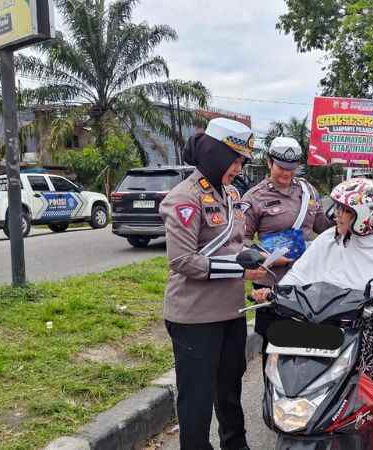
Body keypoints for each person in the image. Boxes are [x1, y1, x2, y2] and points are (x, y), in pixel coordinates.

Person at [252, 178, 373, 449]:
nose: (337, 214)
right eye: (337, 208)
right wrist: (274, 292)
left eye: (345, 210)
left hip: (372, 336)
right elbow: (298, 276)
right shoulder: (327, 240)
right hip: (327, 332)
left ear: (367, 215)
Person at [159, 117, 266, 450]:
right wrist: (240, 271)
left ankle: (236, 445)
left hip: (230, 312)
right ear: (216, 155)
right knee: (197, 400)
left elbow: (235, 244)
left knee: (229, 390)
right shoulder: (184, 198)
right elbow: (182, 261)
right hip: (194, 318)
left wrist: (259, 260)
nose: (238, 168)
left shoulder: (231, 193)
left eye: (242, 162)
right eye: (233, 161)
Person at [241, 136, 332, 370]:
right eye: (281, 168)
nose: (287, 174)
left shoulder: (308, 191)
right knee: (275, 352)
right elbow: (239, 240)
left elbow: (322, 225)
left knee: (307, 351)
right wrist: (265, 258)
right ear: (269, 162)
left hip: (307, 283)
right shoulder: (254, 197)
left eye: (292, 169)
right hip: (272, 285)